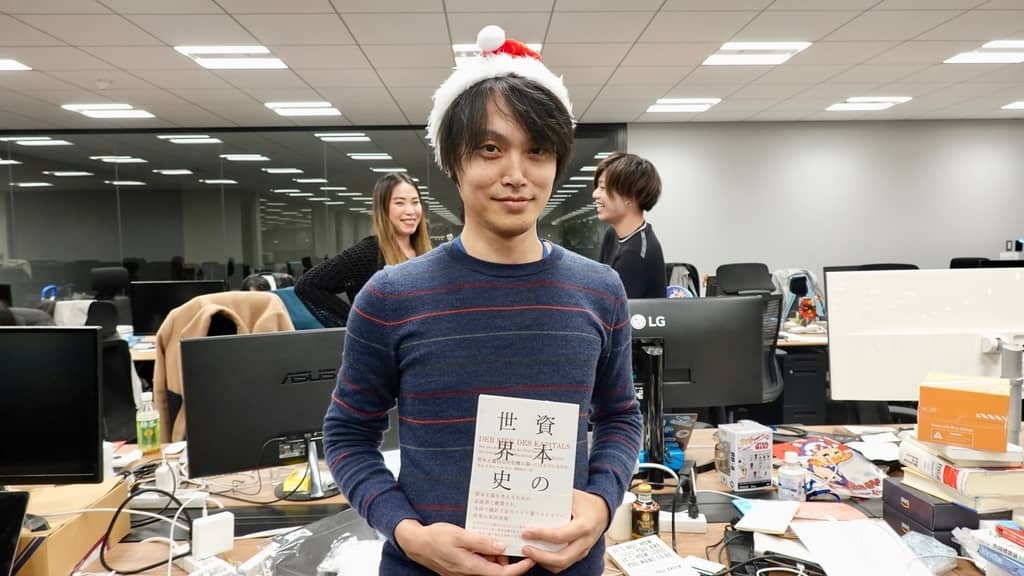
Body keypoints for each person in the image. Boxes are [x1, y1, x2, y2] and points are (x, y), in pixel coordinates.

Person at [323, 25, 642, 576]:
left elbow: (619, 417)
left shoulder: (600, 289)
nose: (515, 175)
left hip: (565, 565)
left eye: (537, 151)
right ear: (453, 161)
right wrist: (407, 533)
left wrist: (600, 502)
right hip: (424, 567)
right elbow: (348, 434)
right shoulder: (392, 295)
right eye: (490, 149)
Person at [295, 172, 431, 327]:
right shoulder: (369, 253)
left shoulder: (426, 254)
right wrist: (356, 325)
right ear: (383, 209)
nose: (411, 211)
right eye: (400, 203)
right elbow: (307, 285)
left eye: (415, 202)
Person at [592, 152, 667, 299]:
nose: (595, 194)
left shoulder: (635, 255)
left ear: (630, 196)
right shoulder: (612, 235)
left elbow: (612, 308)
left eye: (603, 187)